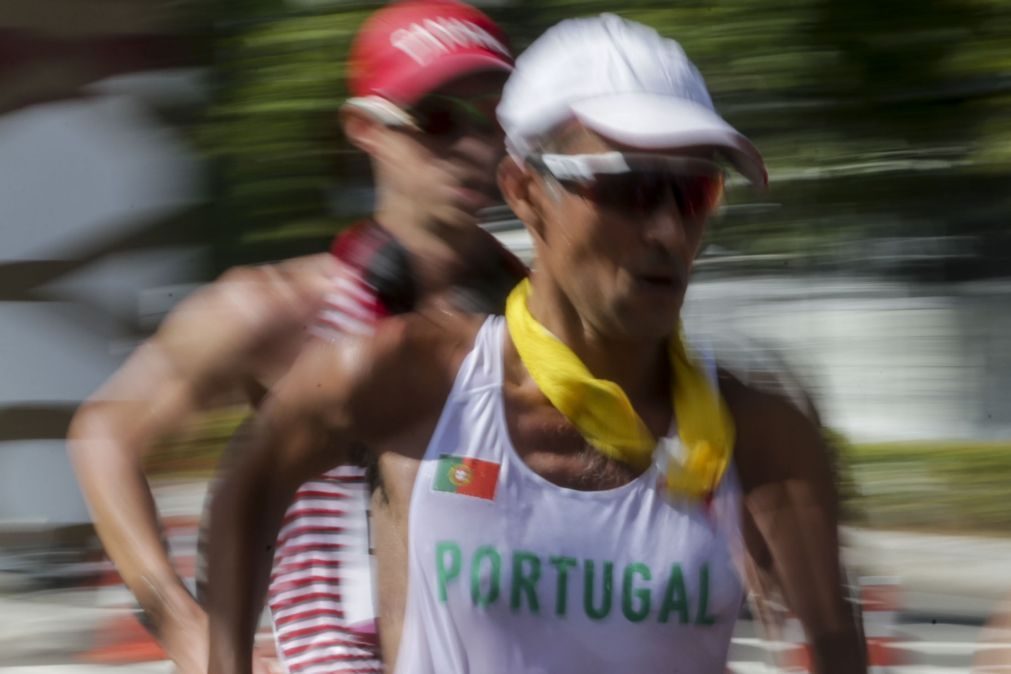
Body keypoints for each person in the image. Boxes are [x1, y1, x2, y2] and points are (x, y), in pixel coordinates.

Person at [206, 14, 865, 674]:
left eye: (694, 191)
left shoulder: (762, 435)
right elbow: (248, 489)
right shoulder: (412, 379)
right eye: (629, 188)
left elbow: (839, 655)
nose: (667, 230)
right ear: (525, 192)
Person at [67, 2, 520, 673]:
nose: (474, 148)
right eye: (440, 119)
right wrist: (179, 620)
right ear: (364, 128)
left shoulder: (533, 315)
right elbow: (104, 432)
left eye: (495, 121)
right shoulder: (277, 313)